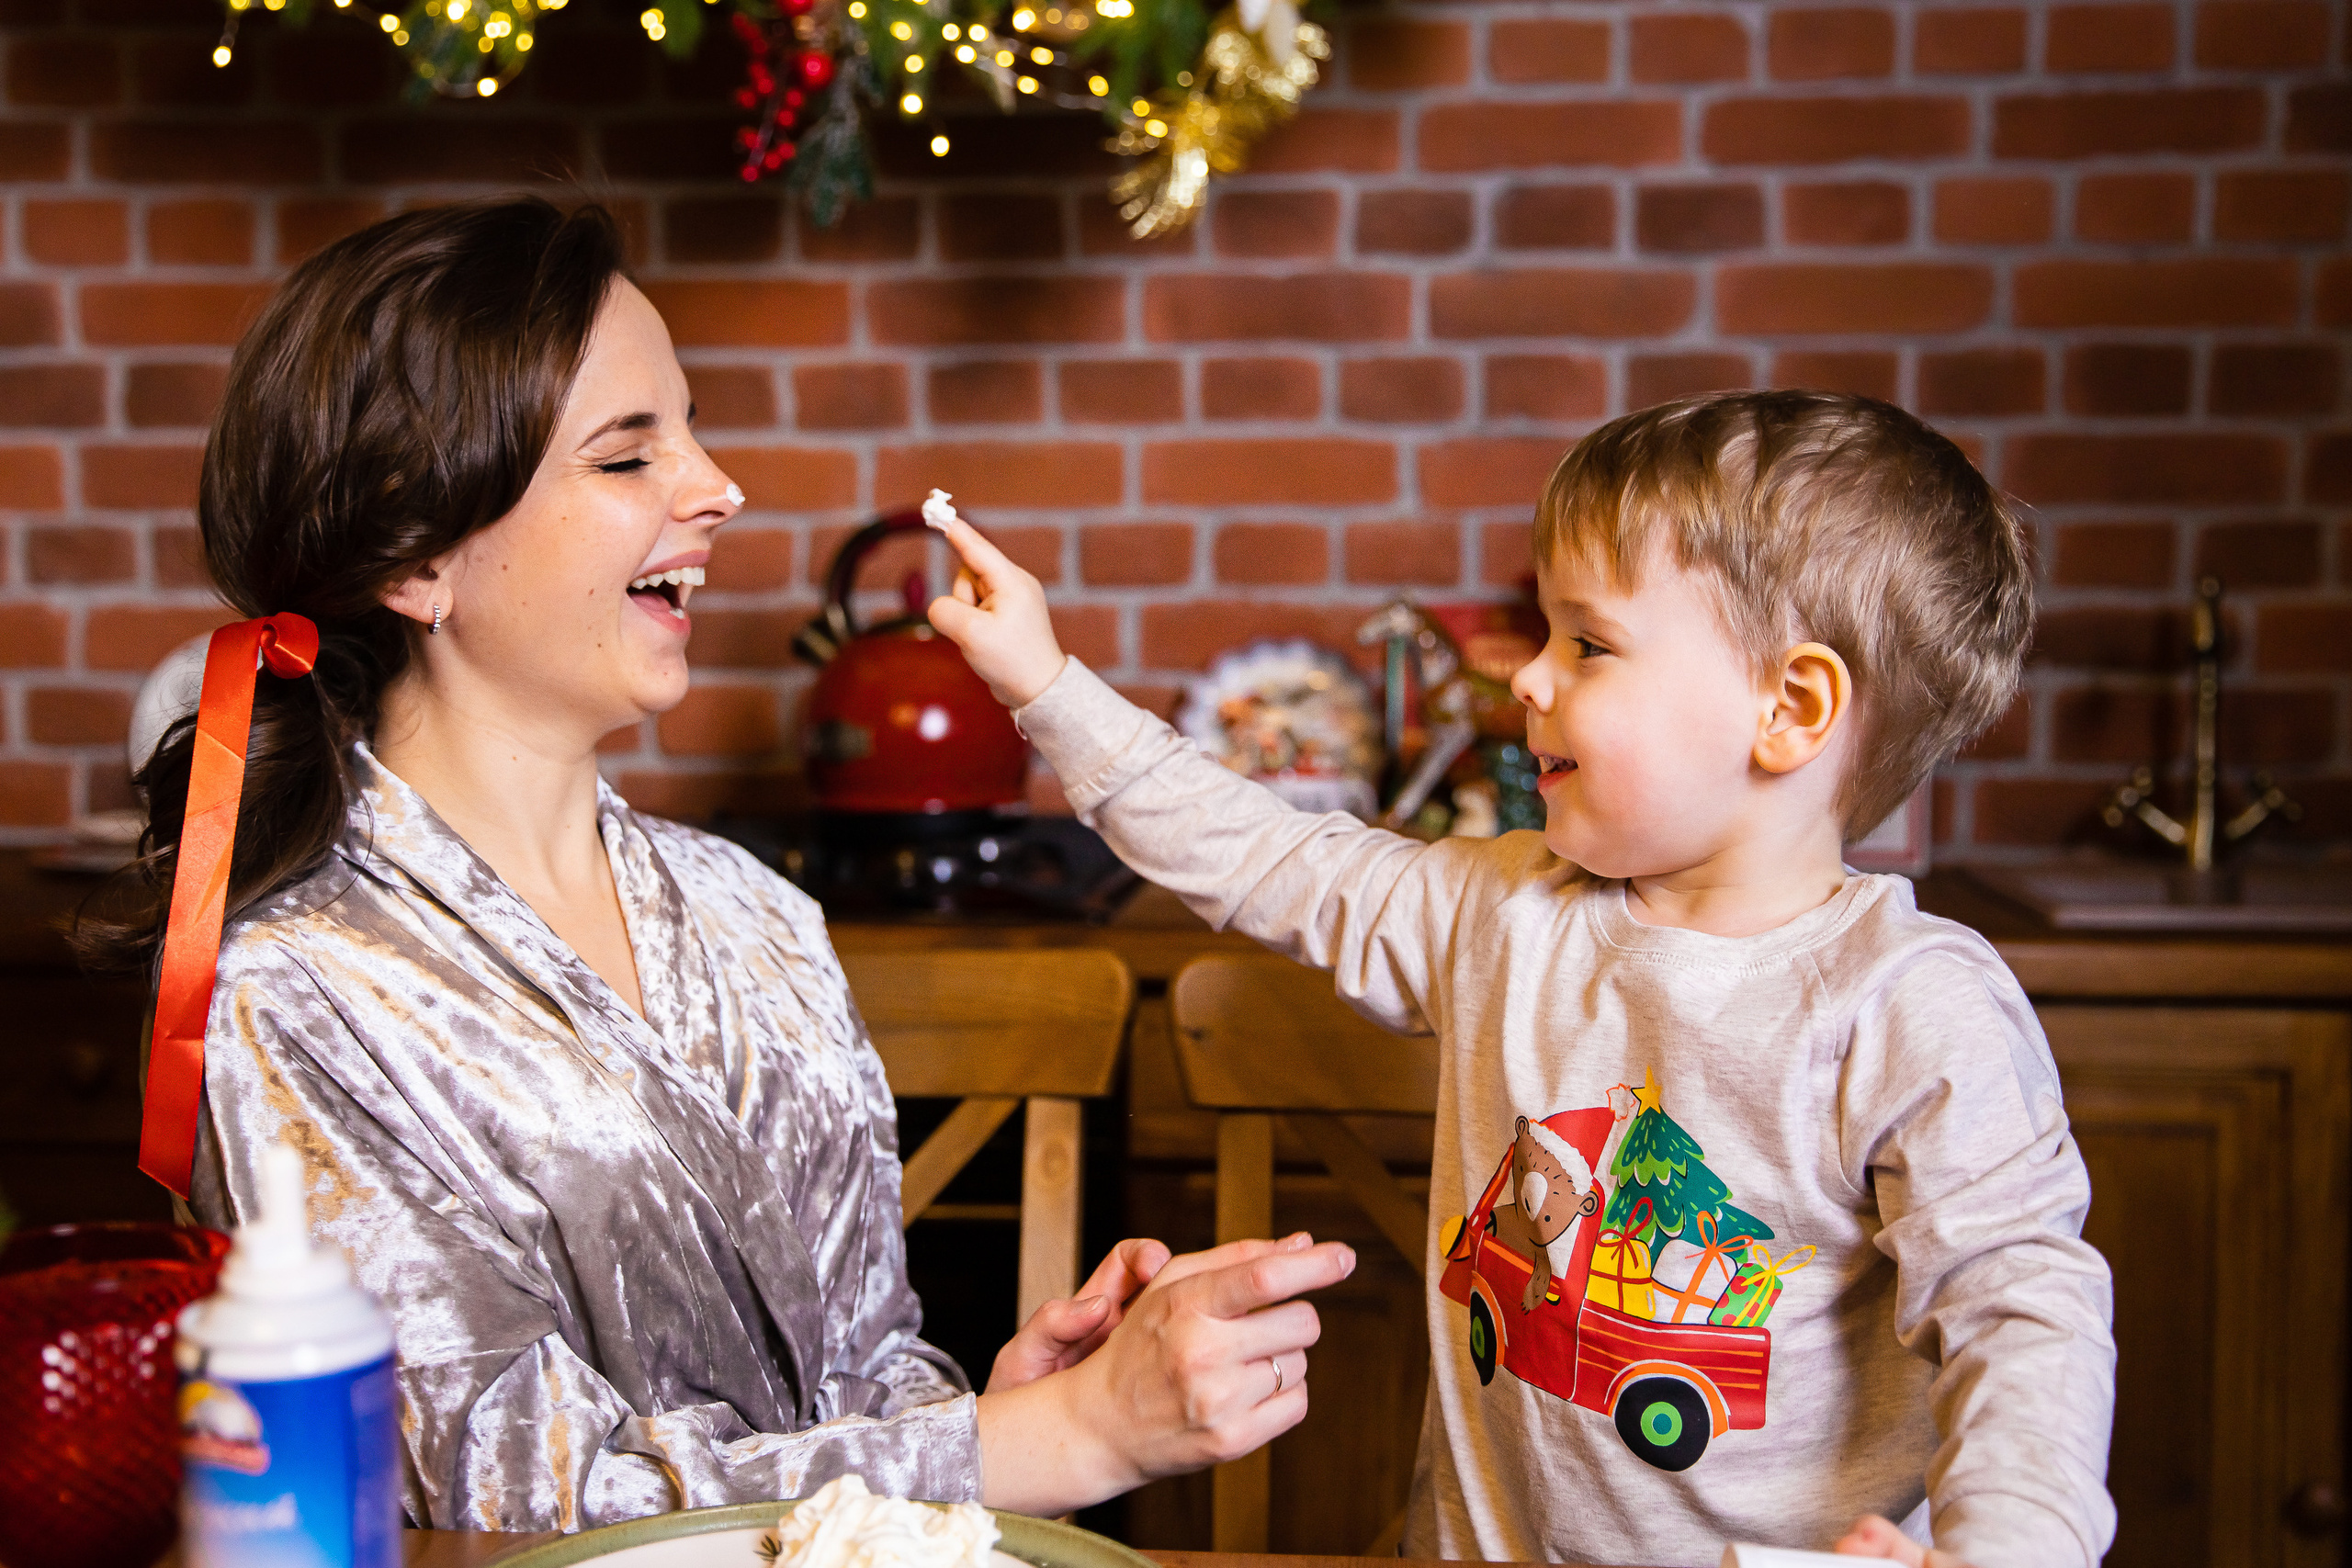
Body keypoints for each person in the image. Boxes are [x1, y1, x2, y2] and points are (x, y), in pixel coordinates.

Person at [79, 196, 1353, 1532]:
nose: (717, 485)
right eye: (630, 458)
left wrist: (986, 1411)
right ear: (419, 551)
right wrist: (1043, 1444)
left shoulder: (756, 913)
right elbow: (481, 1494)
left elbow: (865, 1373)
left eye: (689, 428)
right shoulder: (297, 994)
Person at [924, 390, 2118, 1568]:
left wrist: (2008, 1547)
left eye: (1589, 644)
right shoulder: (1502, 910)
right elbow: (1271, 857)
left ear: (1789, 709)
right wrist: (1048, 686)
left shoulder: (1913, 1004)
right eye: (1545, 634)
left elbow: (2023, 1312)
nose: (1531, 680)